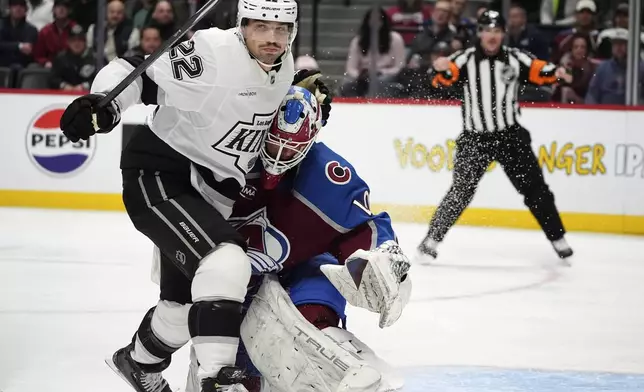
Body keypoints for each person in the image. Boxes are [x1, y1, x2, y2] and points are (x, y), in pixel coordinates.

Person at [58, 1, 332, 391]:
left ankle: (137, 363)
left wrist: (307, 97)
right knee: (226, 261)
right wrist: (104, 103)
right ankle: (217, 378)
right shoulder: (214, 55)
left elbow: (265, 98)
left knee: (183, 308)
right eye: (261, 27)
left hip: (212, 192)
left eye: (282, 28)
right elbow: (136, 70)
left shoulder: (283, 65)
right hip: (163, 172)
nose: (272, 38)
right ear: (242, 26)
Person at [137, 85, 411, 392]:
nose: (280, 156)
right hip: (229, 286)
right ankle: (142, 362)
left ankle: (340, 357)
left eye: (292, 148)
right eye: (273, 143)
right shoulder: (223, 158)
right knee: (229, 368)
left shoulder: (327, 176)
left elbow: (365, 230)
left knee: (315, 307)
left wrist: (383, 256)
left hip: (301, 269)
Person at [416, 10, 575, 264]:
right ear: (480, 33)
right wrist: (437, 70)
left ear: (503, 33)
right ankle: (431, 241)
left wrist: (560, 72)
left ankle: (558, 240)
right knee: (461, 191)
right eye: (488, 30)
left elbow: (540, 70)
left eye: (497, 31)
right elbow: (438, 83)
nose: (492, 36)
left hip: (510, 136)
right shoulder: (465, 59)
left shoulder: (515, 58)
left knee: (536, 190)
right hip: (475, 138)